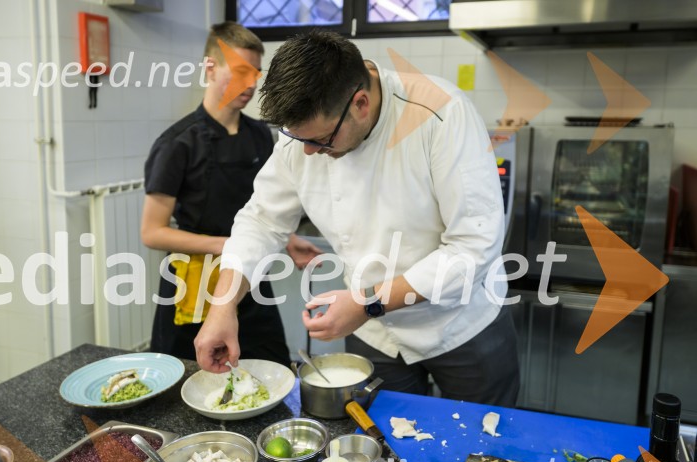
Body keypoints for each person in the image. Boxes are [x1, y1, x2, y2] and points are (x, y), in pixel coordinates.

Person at [194, 30, 520, 407]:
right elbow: (261, 221)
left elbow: (472, 248)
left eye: (322, 141)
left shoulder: (442, 114)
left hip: (462, 327)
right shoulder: (305, 130)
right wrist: (223, 306)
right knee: (382, 449)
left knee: (479, 449)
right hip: (375, 331)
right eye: (300, 141)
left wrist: (366, 303)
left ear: (361, 103)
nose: (310, 153)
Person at [140, 22, 321, 365]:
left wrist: (289, 238)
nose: (251, 83)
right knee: (190, 378)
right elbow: (152, 232)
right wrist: (227, 244)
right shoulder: (177, 144)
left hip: (250, 280)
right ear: (210, 68)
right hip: (192, 287)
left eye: (255, 73)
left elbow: (264, 209)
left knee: (271, 369)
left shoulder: (260, 136)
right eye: (240, 71)